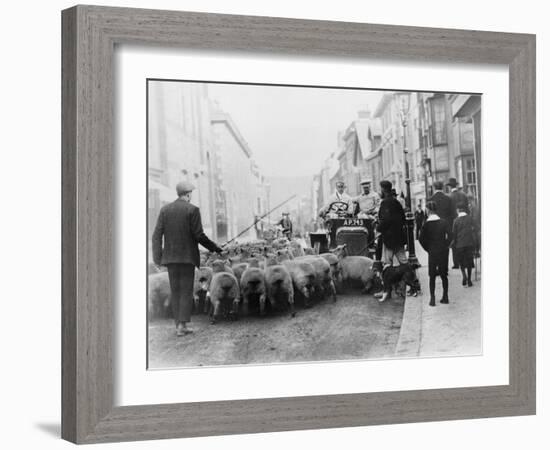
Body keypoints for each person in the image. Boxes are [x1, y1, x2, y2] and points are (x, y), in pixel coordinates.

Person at [152, 181, 224, 337]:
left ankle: (178, 323)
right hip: (187, 259)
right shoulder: (192, 210)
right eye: (191, 193)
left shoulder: (165, 210)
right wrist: (214, 248)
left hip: (170, 259)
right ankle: (182, 326)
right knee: (185, 291)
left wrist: (157, 258)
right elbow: (199, 235)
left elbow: (156, 235)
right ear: (188, 194)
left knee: (175, 290)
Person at [419, 200, 452, 306]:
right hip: (443, 251)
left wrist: (428, 248)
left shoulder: (426, 224)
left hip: (432, 252)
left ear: (428, 210)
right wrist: (446, 245)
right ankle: (445, 296)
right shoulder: (444, 222)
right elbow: (451, 235)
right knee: (444, 274)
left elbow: (421, 239)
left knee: (432, 275)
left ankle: (432, 299)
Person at [377, 180, 407, 265]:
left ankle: (389, 278)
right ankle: (411, 277)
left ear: (383, 189)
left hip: (389, 238)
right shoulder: (396, 202)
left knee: (387, 262)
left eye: (381, 189)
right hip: (399, 236)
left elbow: (385, 220)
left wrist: (378, 228)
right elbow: (403, 218)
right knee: (403, 260)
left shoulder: (385, 203)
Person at [429, 180, 456, 265]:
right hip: (446, 225)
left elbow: (428, 214)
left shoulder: (431, 199)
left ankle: (437, 265)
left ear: (434, 188)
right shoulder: (448, 198)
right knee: (445, 246)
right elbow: (453, 213)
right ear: (442, 188)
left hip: (434, 226)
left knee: (435, 246)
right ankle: (444, 267)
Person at [451, 203, 478, 287]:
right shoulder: (470, 218)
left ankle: (464, 276)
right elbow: (476, 228)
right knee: (469, 262)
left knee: (461, 262)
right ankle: (469, 279)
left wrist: (454, 243)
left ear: (458, 210)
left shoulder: (455, 220)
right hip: (469, 243)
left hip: (460, 245)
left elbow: (454, 234)